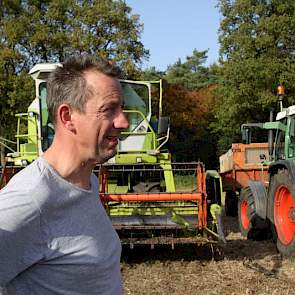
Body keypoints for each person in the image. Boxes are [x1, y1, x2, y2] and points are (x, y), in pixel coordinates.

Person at [0, 55, 129, 294]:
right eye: (109, 110)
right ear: (67, 117)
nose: (124, 122)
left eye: (121, 108)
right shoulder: (30, 200)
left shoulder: (86, 181)